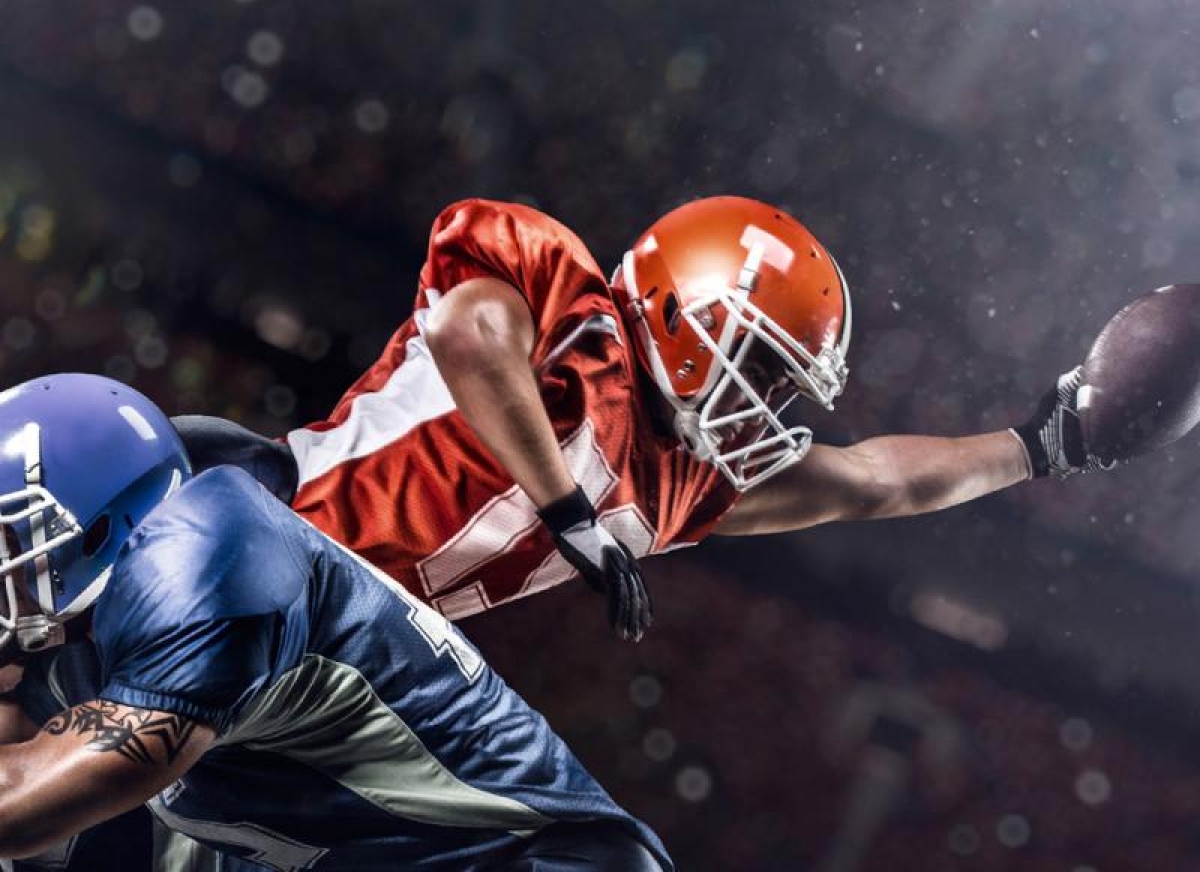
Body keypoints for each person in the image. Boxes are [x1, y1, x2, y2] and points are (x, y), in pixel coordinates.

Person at [175, 195, 1103, 642]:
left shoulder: (681, 481)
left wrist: (1037, 447)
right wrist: (568, 511)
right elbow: (470, 338)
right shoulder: (568, 299)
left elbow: (874, 480)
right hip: (264, 511)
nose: (769, 402)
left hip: (338, 640)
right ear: (686, 311)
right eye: (767, 367)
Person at [0, 373, 671, 872]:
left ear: (95, 530)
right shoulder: (97, 636)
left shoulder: (199, 551)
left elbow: (21, 802)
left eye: (7, 540)